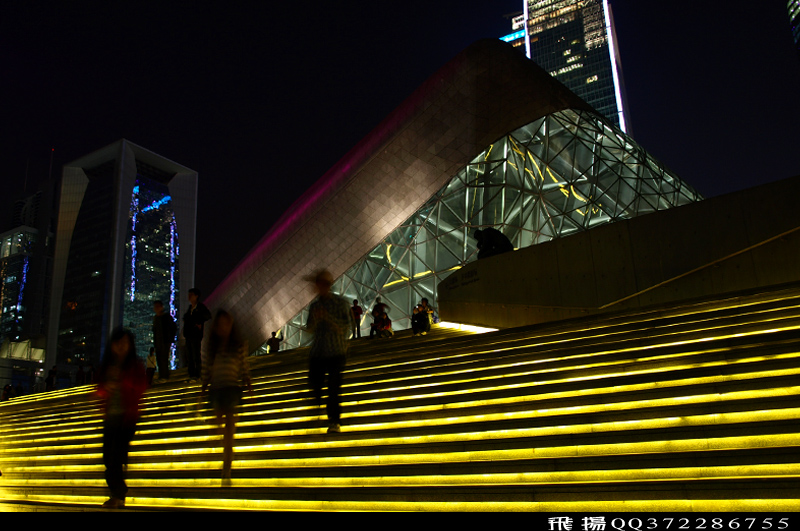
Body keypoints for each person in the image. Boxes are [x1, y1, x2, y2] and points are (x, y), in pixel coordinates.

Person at [95, 327, 147, 509]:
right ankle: (117, 493)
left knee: (115, 457)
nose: (121, 347)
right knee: (107, 457)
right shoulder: (107, 366)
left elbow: (141, 386)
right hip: (110, 417)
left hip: (127, 418)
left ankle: (118, 495)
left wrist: (122, 379)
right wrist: (105, 388)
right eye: (118, 343)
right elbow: (99, 389)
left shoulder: (135, 365)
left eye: (125, 343)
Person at [201, 310, 252, 484]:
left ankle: (227, 467)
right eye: (221, 324)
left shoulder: (238, 345)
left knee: (229, 430)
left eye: (227, 323)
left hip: (231, 389)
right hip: (216, 389)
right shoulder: (212, 347)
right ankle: (225, 449)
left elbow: (244, 366)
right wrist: (203, 386)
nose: (224, 327)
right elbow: (207, 368)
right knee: (215, 426)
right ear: (216, 327)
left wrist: (248, 382)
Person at [304, 269, 353, 434]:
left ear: (328, 285)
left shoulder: (341, 303)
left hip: (336, 353)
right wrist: (316, 320)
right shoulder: (315, 306)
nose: (319, 288)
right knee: (315, 381)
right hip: (318, 352)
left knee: (333, 388)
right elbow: (309, 329)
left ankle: (334, 420)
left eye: (322, 284)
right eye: (317, 284)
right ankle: (317, 399)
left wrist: (327, 318)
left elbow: (346, 328)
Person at [183, 288, 211, 383]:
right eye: (189, 295)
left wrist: (198, 322)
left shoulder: (200, 307)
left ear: (196, 296)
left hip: (195, 335)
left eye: (191, 295)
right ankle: (191, 375)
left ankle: (197, 375)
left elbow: (207, 315)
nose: (189, 297)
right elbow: (186, 318)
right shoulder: (190, 308)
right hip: (188, 335)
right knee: (189, 356)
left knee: (195, 355)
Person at [152, 300, 177, 383]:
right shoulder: (156, 318)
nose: (156, 308)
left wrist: (170, 339)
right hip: (158, 342)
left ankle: (164, 376)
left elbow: (173, 327)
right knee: (159, 359)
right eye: (155, 307)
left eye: (158, 306)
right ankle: (162, 376)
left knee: (163, 358)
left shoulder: (166, 317)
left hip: (165, 341)